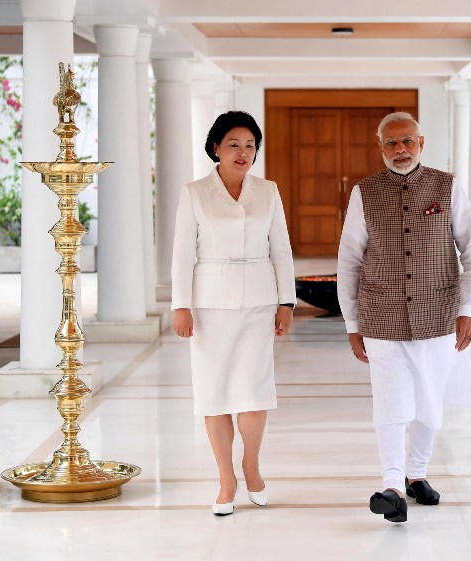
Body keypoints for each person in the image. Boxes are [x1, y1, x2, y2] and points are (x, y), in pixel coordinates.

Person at [337, 112, 471, 523]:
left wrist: (469, 309)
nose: (400, 150)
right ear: (380, 146)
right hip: (381, 315)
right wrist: (352, 325)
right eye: (391, 143)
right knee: (389, 400)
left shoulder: (447, 186)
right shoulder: (364, 193)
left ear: (421, 142)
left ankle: (416, 474)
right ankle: (390, 485)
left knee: (428, 400)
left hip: (438, 315)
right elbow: (349, 260)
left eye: (407, 141)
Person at [171, 111, 296, 516]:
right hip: (209, 306)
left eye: (249, 145)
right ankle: (226, 479)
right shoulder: (194, 192)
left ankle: (252, 466)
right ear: (215, 149)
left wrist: (286, 301)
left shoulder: (268, 190)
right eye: (233, 145)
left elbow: (281, 248)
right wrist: (181, 305)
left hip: (259, 301)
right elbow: (181, 255)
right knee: (215, 394)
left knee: (254, 389)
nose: (243, 153)